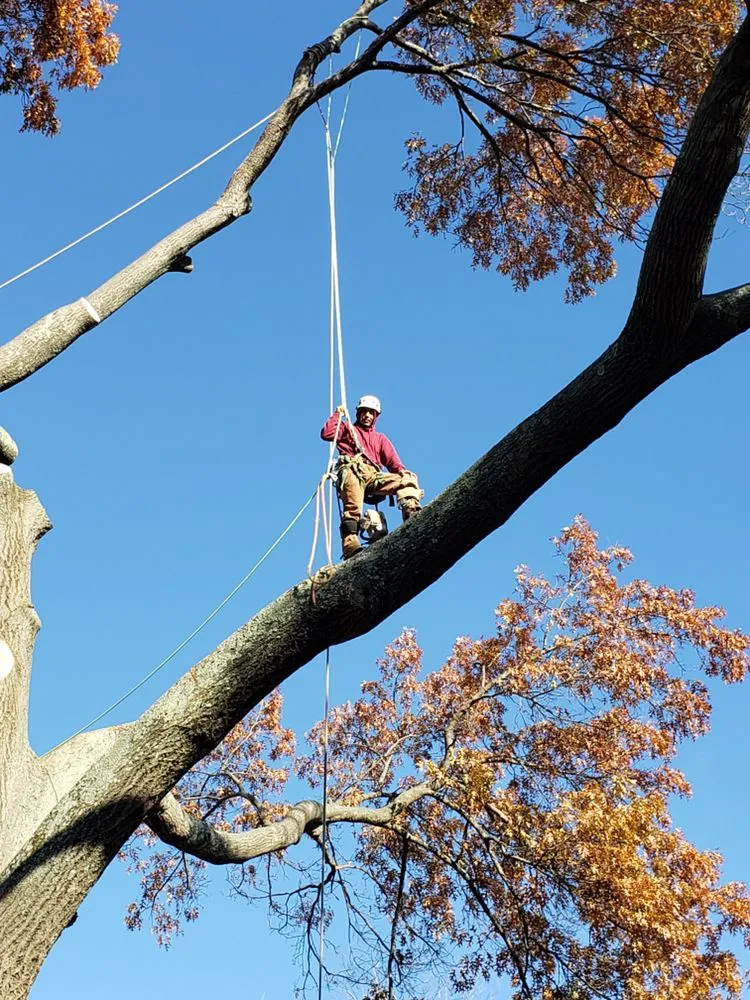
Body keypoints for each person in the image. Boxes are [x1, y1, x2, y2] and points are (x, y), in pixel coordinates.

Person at [320, 394, 423, 559]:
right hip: (353, 471)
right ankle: (350, 544)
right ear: (358, 413)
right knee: (352, 509)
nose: (367, 416)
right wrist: (338, 414)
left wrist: (402, 472)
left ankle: (411, 511)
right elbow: (327, 434)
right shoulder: (347, 429)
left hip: (373, 475)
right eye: (364, 412)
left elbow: (395, 463)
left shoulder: (380, 439)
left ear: (376, 416)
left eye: (371, 413)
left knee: (408, 478)